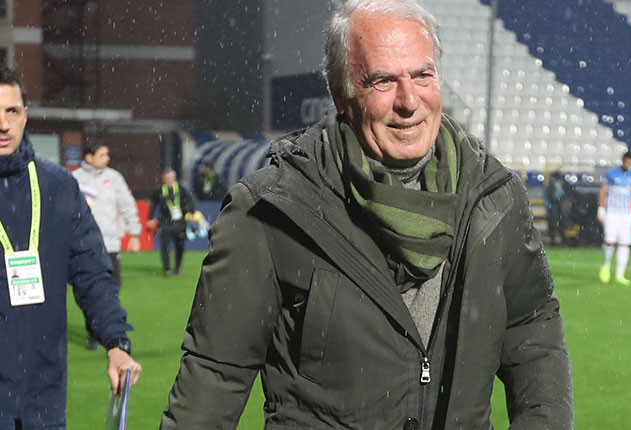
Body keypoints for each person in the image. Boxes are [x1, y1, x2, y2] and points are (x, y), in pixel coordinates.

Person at [160, 1, 573, 428]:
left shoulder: (495, 198)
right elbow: (214, 377)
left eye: (423, 75)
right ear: (341, 94)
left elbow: (533, 330)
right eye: (383, 81)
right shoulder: (270, 211)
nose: (409, 101)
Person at [0, 66, 141, 429]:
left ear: (25, 114)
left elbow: (92, 273)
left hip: (43, 399)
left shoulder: (58, 187)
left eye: (11, 111)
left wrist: (116, 343)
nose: (3, 124)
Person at [72, 141, 142, 349]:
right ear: (89, 157)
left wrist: (134, 233)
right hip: (84, 245)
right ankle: (93, 332)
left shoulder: (114, 178)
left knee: (112, 288)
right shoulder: (74, 179)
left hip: (110, 245)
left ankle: (109, 329)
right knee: (88, 290)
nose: (107, 159)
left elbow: (127, 205)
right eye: (102, 155)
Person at [597, 150, 631, 286]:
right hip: (612, 213)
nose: (628, 164)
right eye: (627, 161)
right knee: (610, 241)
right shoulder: (612, 173)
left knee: (624, 243)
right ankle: (606, 264)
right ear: (623, 160)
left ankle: (620, 274)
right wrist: (601, 208)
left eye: (630, 162)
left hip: (626, 214)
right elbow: (603, 191)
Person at [147, 168, 194, 276]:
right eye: (168, 178)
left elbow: (189, 201)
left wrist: (191, 212)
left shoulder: (181, 188)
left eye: (172, 178)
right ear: (164, 179)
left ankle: (178, 267)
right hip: (165, 221)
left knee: (180, 246)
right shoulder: (159, 190)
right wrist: (150, 218)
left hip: (180, 221)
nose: (170, 180)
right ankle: (167, 269)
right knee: (165, 246)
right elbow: (153, 205)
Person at [544, 170, 566, 245]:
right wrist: (559, 197)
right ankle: (556, 240)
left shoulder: (550, 183)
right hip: (554, 207)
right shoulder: (553, 183)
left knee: (554, 224)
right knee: (555, 223)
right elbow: (553, 196)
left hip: (552, 207)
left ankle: (554, 240)